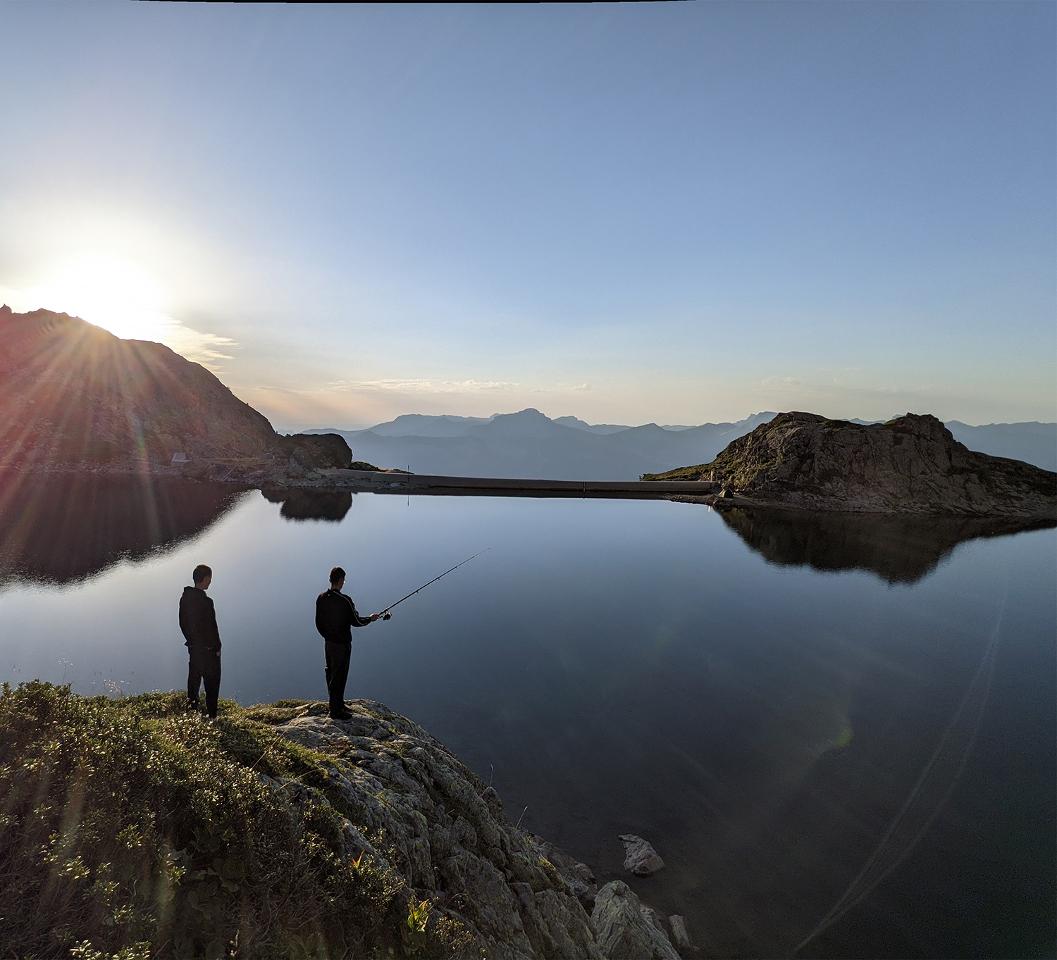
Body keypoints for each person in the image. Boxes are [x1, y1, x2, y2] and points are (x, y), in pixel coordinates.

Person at [315, 566, 389, 719]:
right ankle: (336, 711)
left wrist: (327, 636)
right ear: (341, 580)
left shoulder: (321, 598)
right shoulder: (345, 600)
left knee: (331, 672)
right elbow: (356, 622)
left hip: (329, 644)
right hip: (342, 645)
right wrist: (370, 618)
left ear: (330, 579)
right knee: (340, 675)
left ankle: (337, 704)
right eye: (344, 580)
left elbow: (318, 623)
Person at [179, 564, 222, 719]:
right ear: (204, 579)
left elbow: (182, 623)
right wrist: (217, 647)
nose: (210, 582)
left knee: (194, 681)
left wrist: (191, 641)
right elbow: (212, 627)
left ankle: (191, 713)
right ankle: (212, 716)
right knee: (212, 683)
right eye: (209, 579)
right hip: (208, 650)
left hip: (194, 648)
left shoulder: (185, 598)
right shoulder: (206, 602)